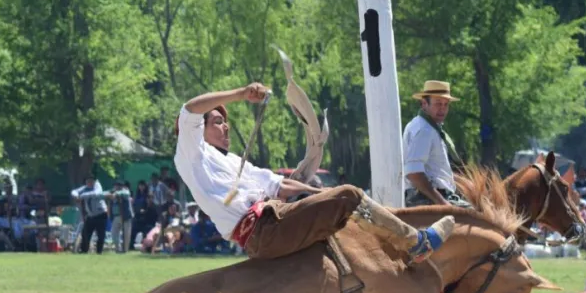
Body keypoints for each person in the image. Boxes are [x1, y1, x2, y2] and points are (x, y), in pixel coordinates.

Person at [174, 82, 453, 262]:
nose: (226, 128)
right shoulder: (191, 152)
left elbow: (279, 185)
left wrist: (321, 193)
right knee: (350, 195)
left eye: (225, 122)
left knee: (342, 201)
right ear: (199, 129)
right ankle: (416, 242)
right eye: (218, 122)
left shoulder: (232, 161)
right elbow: (189, 109)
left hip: (271, 221)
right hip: (264, 230)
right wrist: (240, 94)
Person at [401, 81, 469, 208]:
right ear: (424, 104)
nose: (442, 109)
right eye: (438, 103)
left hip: (432, 197)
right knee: (483, 219)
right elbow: (413, 173)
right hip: (427, 199)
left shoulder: (424, 126)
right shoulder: (424, 130)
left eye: (446, 104)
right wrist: (443, 203)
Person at [71, 176, 109, 254]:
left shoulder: (97, 187)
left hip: (101, 214)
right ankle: (84, 250)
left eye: (91, 181)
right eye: (88, 181)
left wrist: (82, 196)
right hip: (91, 215)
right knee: (85, 233)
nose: (89, 183)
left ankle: (99, 251)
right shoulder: (84, 188)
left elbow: (96, 193)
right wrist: (76, 195)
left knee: (101, 234)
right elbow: (74, 192)